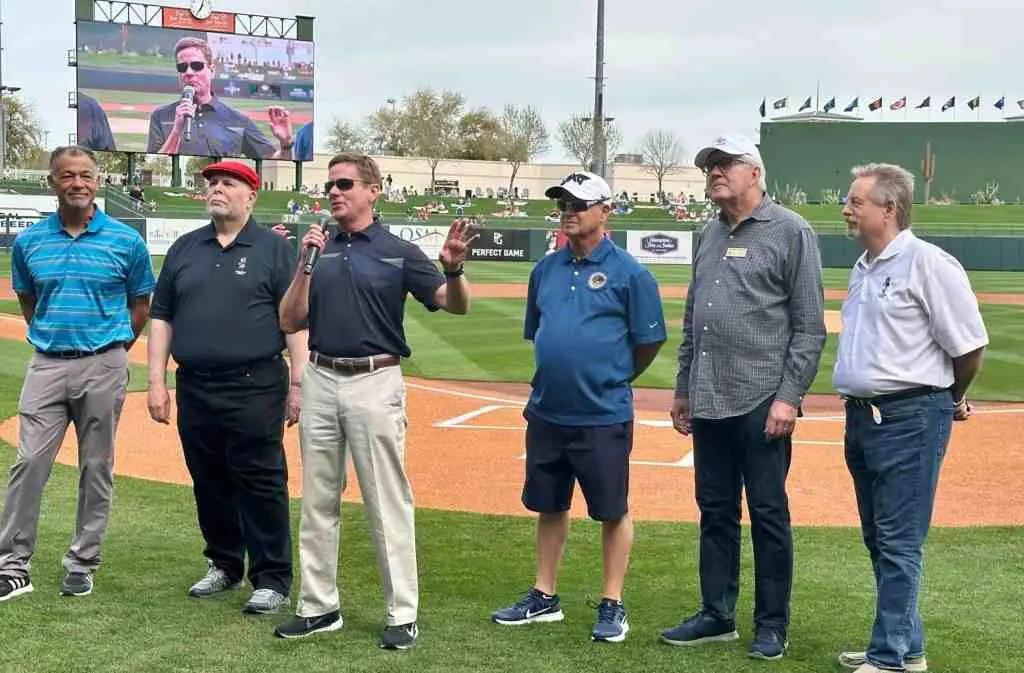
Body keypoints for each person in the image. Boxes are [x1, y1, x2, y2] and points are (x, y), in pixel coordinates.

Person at [273, 153, 476, 649]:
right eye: (330, 186)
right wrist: (304, 266)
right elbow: (289, 320)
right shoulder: (317, 249)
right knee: (318, 501)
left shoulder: (398, 250)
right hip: (320, 375)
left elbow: (455, 306)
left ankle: (402, 612)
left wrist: (454, 270)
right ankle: (319, 607)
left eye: (345, 184)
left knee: (386, 500)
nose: (334, 193)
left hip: (375, 380)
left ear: (373, 190)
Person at [663, 134, 826, 659]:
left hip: (761, 399)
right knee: (714, 511)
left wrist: (788, 398)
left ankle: (772, 624)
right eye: (710, 165)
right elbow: (694, 321)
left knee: (769, 514)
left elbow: (809, 327)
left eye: (724, 163)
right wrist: (684, 387)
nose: (714, 172)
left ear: (754, 172)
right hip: (709, 398)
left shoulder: (791, 231)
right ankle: (717, 614)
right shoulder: (708, 234)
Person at [490, 171, 666, 642]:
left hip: (602, 414)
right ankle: (544, 596)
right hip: (547, 410)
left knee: (612, 511)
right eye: (563, 203)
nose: (569, 210)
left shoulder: (632, 273)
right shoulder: (544, 270)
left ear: (605, 211)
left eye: (579, 204)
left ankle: (613, 603)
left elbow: (648, 342)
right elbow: (539, 333)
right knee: (549, 506)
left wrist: (613, 375)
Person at [832, 163, 988, 673]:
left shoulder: (929, 264)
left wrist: (950, 398)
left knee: (900, 542)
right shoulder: (864, 266)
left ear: (888, 208)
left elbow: (969, 347)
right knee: (880, 538)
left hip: (910, 417)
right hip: (863, 418)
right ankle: (906, 646)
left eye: (856, 202)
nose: (847, 210)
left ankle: (890, 657)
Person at [146, 161, 307, 615]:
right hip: (196, 384)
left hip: (256, 384)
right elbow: (162, 318)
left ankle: (272, 576)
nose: (217, 189)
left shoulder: (275, 249)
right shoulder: (184, 248)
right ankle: (224, 561)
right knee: (209, 479)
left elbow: (295, 321)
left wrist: (298, 383)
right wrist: (156, 382)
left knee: (261, 480)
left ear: (250, 195)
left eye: (228, 183)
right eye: (212, 183)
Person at [0, 145, 155, 602]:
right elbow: (29, 303)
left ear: (98, 180)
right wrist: (53, 338)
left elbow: (140, 304)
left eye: (86, 175)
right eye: (67, 176)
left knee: (96, 465)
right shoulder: (30, 242)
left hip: (103, 363)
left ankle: (83, 561)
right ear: (53, 182)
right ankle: (12, 564)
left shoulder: (126, 241)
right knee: (29, 463)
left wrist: (115, 349)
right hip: (47, 363)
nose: (78, 183)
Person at [147, 37, 294, 159]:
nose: (189, 72)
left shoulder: (238, 120)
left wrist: (286, 144)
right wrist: (177, 129)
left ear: (212, 70)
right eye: (182, 67)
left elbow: (273, 162)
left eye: (197, 66)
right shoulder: (160, 116)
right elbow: (154, 165)